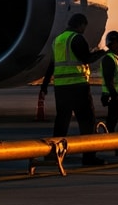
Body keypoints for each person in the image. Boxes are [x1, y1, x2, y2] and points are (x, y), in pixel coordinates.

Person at [45, 12, 106, 164]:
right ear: (80, 25)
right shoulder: (77, 38)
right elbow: (86, 58)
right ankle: (89, 158)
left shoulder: (57, 40)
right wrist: (101, 53)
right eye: (84, 27)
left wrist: (44, 85)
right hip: (78, 86)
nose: (84, 30)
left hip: (61, 88)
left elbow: (51, 65)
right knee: (87, 122)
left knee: (61, 122)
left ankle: (54, 156)